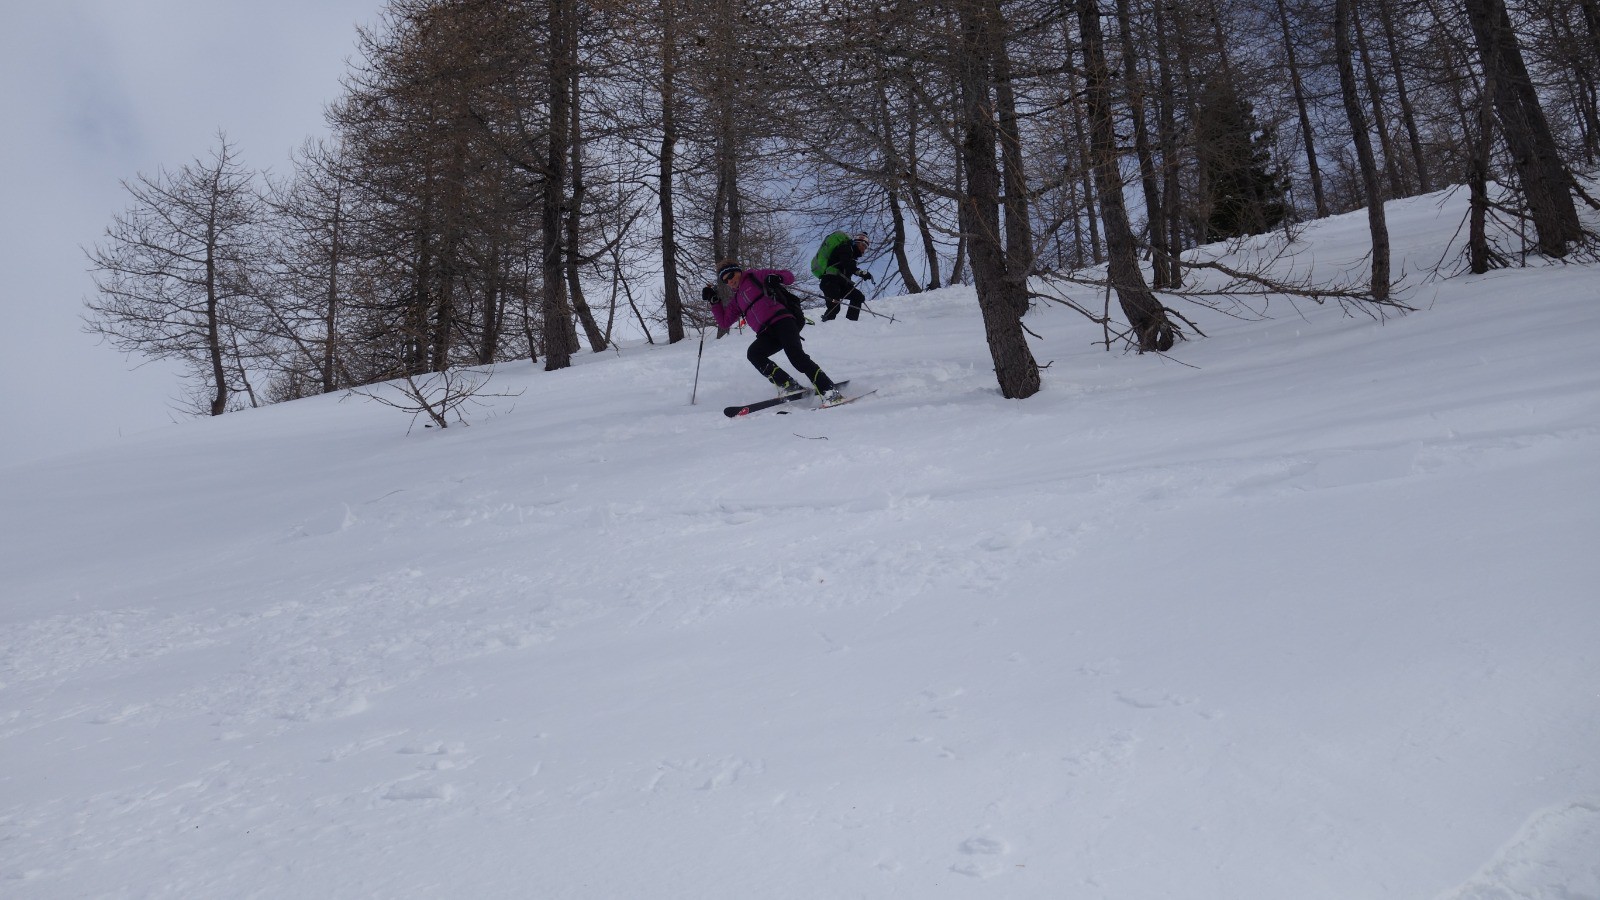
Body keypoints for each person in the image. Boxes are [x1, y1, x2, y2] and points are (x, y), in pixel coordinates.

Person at [703, 259, 843, 402]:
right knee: (754, 353)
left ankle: (829, 390)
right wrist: (715, 302)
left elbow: (789, 276)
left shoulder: (756, 276)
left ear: (738, 271)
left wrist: (777, 277)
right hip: (766, 332)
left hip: (783, 321)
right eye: (725, 281)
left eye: (731, 276)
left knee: (796, 357)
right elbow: (724, 322)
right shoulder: (737, 300)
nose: (729, 281)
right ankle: (789, 385)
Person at [817, 232, 873, 322]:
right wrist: (860, 272)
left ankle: (851, 323)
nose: (864, 249)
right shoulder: (845, 248)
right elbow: (846, 264)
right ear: (857, 243)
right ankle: (824, 327)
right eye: (863, 245)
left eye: (866, 247)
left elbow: (845, 272)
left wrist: (851, 284)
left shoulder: (851, 257)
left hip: (840, 285)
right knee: (834, 308)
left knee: (858, 297)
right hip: (830, 282)